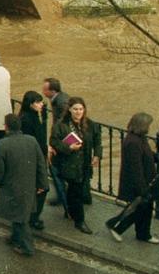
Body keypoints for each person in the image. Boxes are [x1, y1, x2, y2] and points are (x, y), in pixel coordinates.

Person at [0, 114, 50, 257]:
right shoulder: (32, 140)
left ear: (6, 127)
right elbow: (40, 163)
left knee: (19, 217)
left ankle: (27, 247)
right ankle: (15, 237)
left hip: (11, 185)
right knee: (20, 213)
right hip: (29, 184)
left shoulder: (1, 145)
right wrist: (43, 183)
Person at [107, 112, 159, 245]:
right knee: (139, 208)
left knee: (145, 208)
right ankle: (117, 227)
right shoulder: (133, 142)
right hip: (140, 183)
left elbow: (145, 154)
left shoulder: (139, 138)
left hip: (146, 181)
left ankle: (143, 233)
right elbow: (135, 168)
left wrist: (154, 156)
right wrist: (142, 188)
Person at [49, 96, 101, 234]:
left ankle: (71, 212)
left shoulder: (90, 124)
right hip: (69, 164)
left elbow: (97, 140)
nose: (78, 112)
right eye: (75, 109)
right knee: (76, 191)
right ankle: (80, 221)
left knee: (74, 190)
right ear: (70, 110)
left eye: (81, 109)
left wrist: (97, 155)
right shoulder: (61, 125)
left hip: (84, 164)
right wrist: (69, 147)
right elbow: (54, 142)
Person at [18, 90, 49, 231]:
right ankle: (33, 217)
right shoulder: (27, 120)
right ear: (30, 104)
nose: (41, 104)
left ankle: (32, 215)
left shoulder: (36, 116)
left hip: (39, 157)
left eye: (41, 101)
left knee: (39, 188)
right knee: (41, 188)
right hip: (33, 159)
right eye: (38, 102)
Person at [42, 77, 70, 207]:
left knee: (55, 167)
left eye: (45, 89)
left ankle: (61, 196)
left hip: (61, 140)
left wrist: (56, 143)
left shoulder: (60, 103)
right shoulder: (61, 98)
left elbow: (63, 123)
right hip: (63, 139)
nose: (43, 91)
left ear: (52, 91)